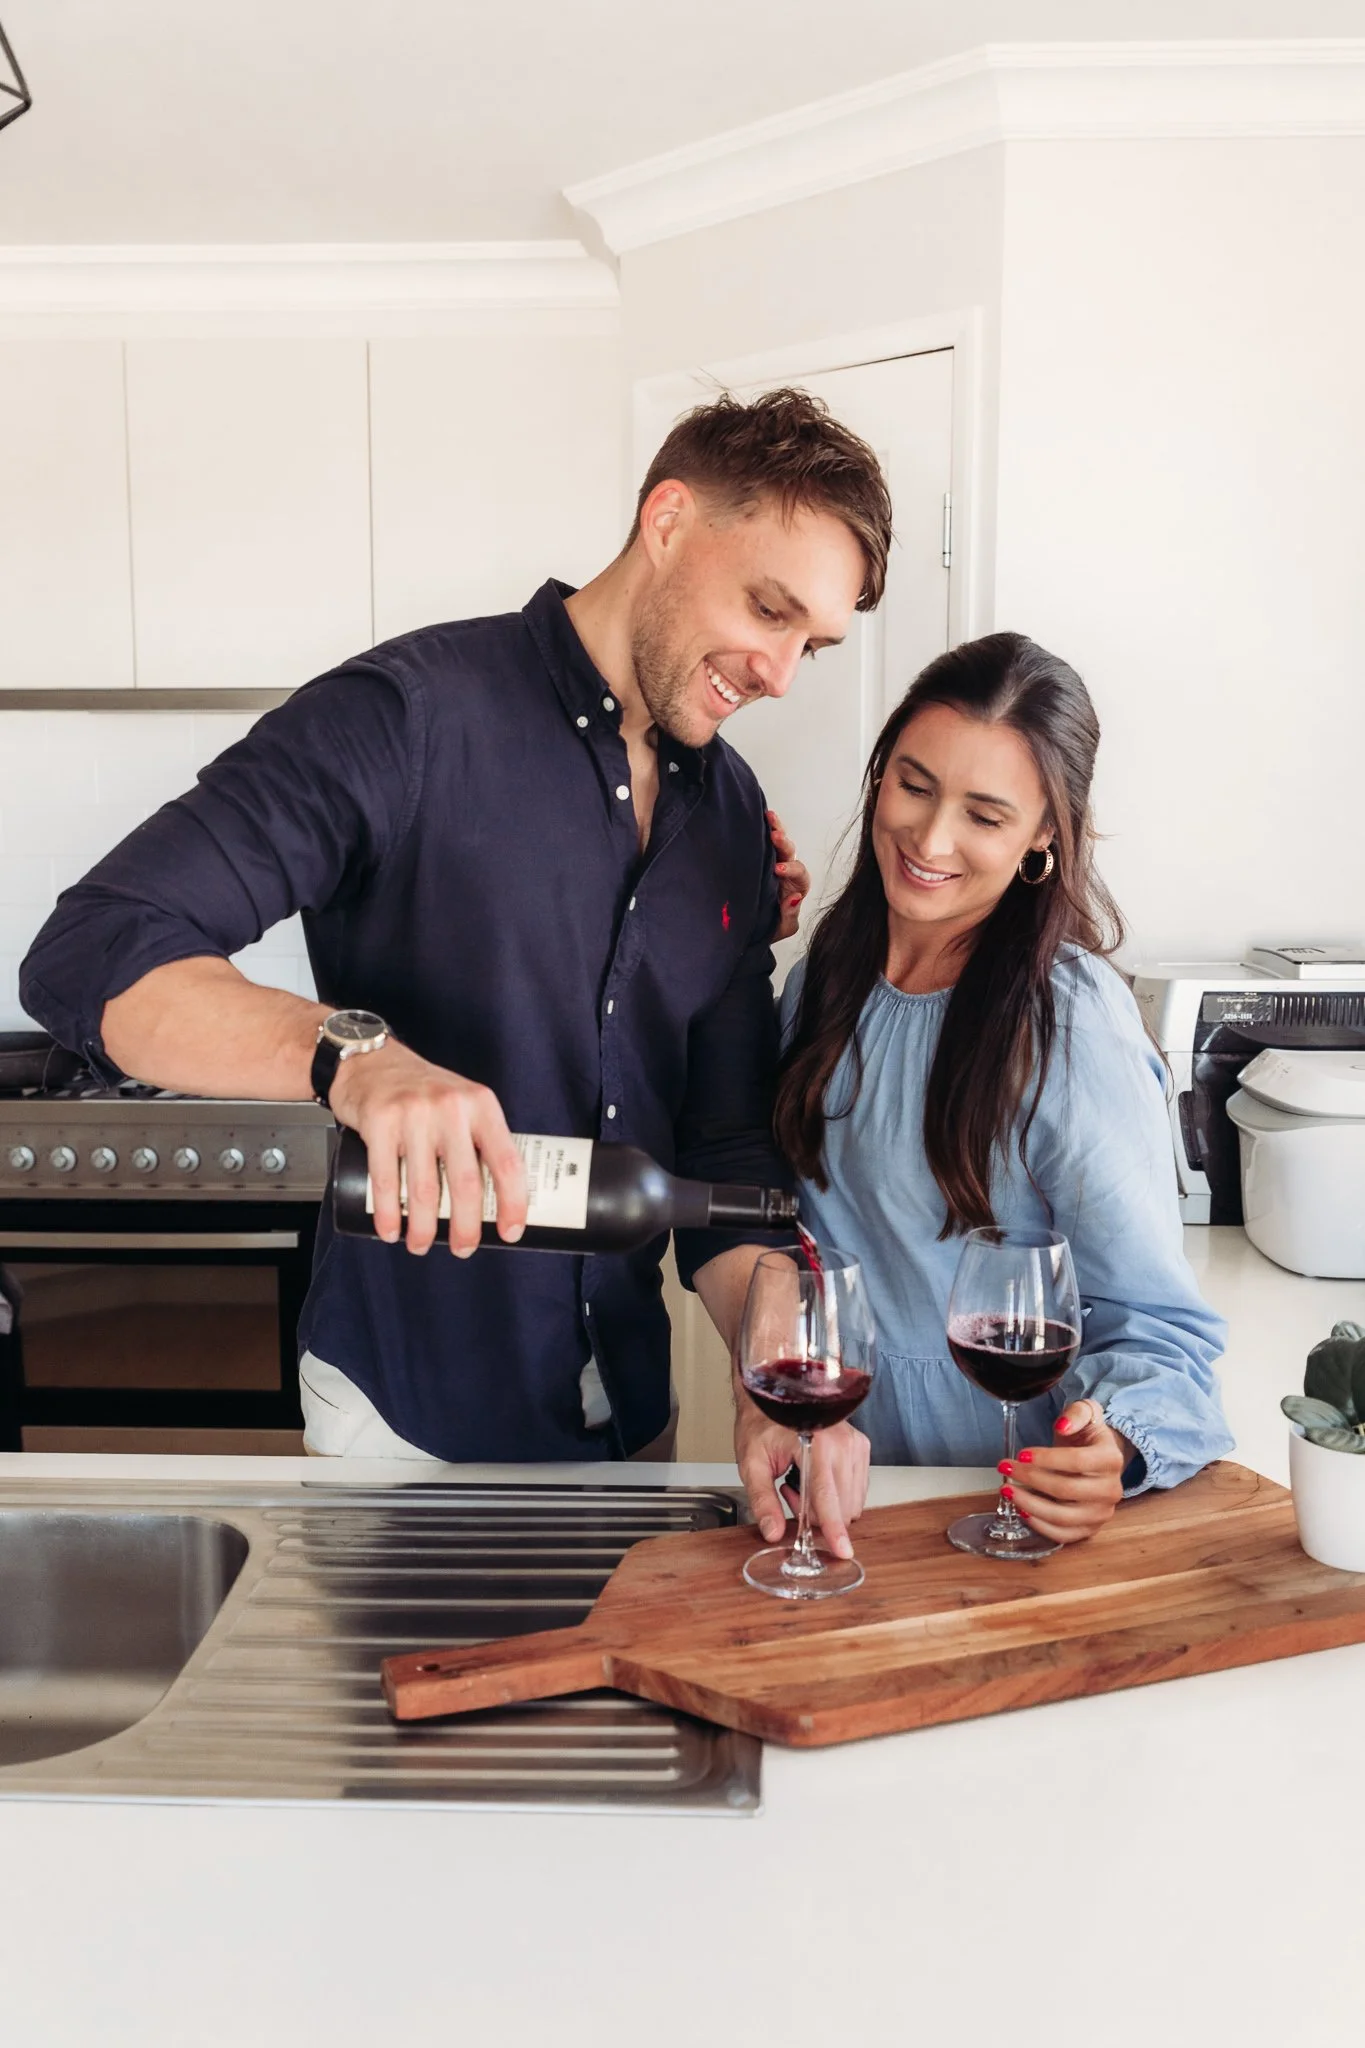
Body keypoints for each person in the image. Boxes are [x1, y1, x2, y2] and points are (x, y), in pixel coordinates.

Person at [20, 389, 892, 1554]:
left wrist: (766, 1353)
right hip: (404, 1419)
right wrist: (348, 1056)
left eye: (811, 644)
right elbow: (95, 944)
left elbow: (724, 1155)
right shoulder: (407, 716)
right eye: (767, 609)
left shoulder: (729, 814)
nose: (781, 672)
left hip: (627, 1416)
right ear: (670, 520)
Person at [773, 631, 1234, 1544]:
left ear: (1041, 840)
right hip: (848, 1506)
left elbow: (1165, 1335)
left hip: (1007, 1518)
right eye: (912, 784)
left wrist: (1116, 1449)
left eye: (984, 816)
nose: (930, 838)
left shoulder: (1066, 1025)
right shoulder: (821, 976)